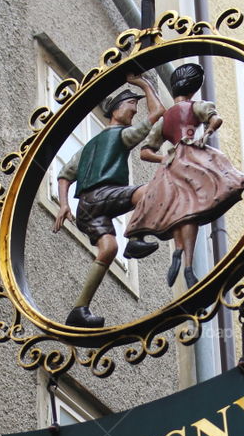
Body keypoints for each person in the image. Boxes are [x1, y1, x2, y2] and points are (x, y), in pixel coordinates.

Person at [53, 73, 164, 329]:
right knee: (150, 189)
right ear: (116, 110)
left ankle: (79, 309)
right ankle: (135, 238)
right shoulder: (121, 136)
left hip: (86, 209)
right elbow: (158, 112)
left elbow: (63, 175)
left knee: (108, 249)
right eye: (131, 108)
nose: (134, 113)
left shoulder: (89, 145)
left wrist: (64, 204)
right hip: (103, 196)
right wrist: (143, 83)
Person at [126, 62, 244, 288]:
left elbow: (145, 152)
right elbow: (215, 119)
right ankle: (188, 264)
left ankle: (178, 251)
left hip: (172, 164)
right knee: (192, 209)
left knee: (177, 210)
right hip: (193, 158)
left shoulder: (164, 119)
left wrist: (165, 159)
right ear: (193, 89)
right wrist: (206, 134)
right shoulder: (194, 106)